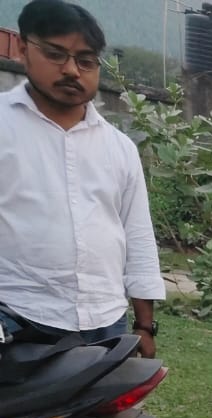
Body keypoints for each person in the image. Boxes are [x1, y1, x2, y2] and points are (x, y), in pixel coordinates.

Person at [0, 0, 164, 359]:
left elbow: (137, 237)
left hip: (106, 321)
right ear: (25, 50)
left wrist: (144, 325)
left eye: (85, 61)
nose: (72, 70)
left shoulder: (119, 147)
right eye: (56, 54)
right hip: (18, 319)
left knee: (103, 417)